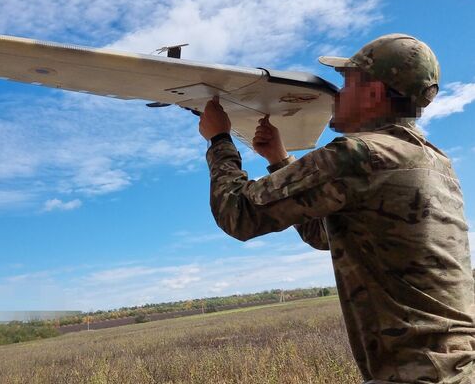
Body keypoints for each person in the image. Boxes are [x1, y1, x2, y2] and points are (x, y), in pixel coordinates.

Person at [198, 34, 475, 384]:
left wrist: (219, 140)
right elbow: (326, 233)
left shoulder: (359, 155)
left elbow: (237, 213)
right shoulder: (435, 162)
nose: (337, 95)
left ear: (373, 94)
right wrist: (279, 161)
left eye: (347, 83)